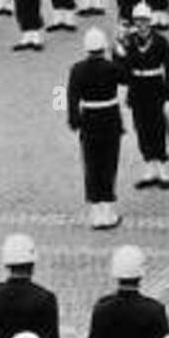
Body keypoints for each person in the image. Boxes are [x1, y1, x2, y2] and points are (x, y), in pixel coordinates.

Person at [67, 27, 125, 228]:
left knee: (91, 165)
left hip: (89, 120)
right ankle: (108, 211)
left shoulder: (77, 69)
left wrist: (74, 120)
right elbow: (126, 77)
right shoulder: (111, 67)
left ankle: (95, 212)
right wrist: (119, 52)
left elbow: (72, 97)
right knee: (109, 165)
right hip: (109, 119)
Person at [115, 4, 169, 189]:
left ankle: (163, 171)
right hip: (137, 89)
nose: (141, 24)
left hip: (156, 88)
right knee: (141, 130)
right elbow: (121, 69)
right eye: (138, 21)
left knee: (158, 129)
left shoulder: (160, 41)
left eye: (144, 20)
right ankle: (149, 168)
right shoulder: (129, 41)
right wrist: (118, 50)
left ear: (150, 21)